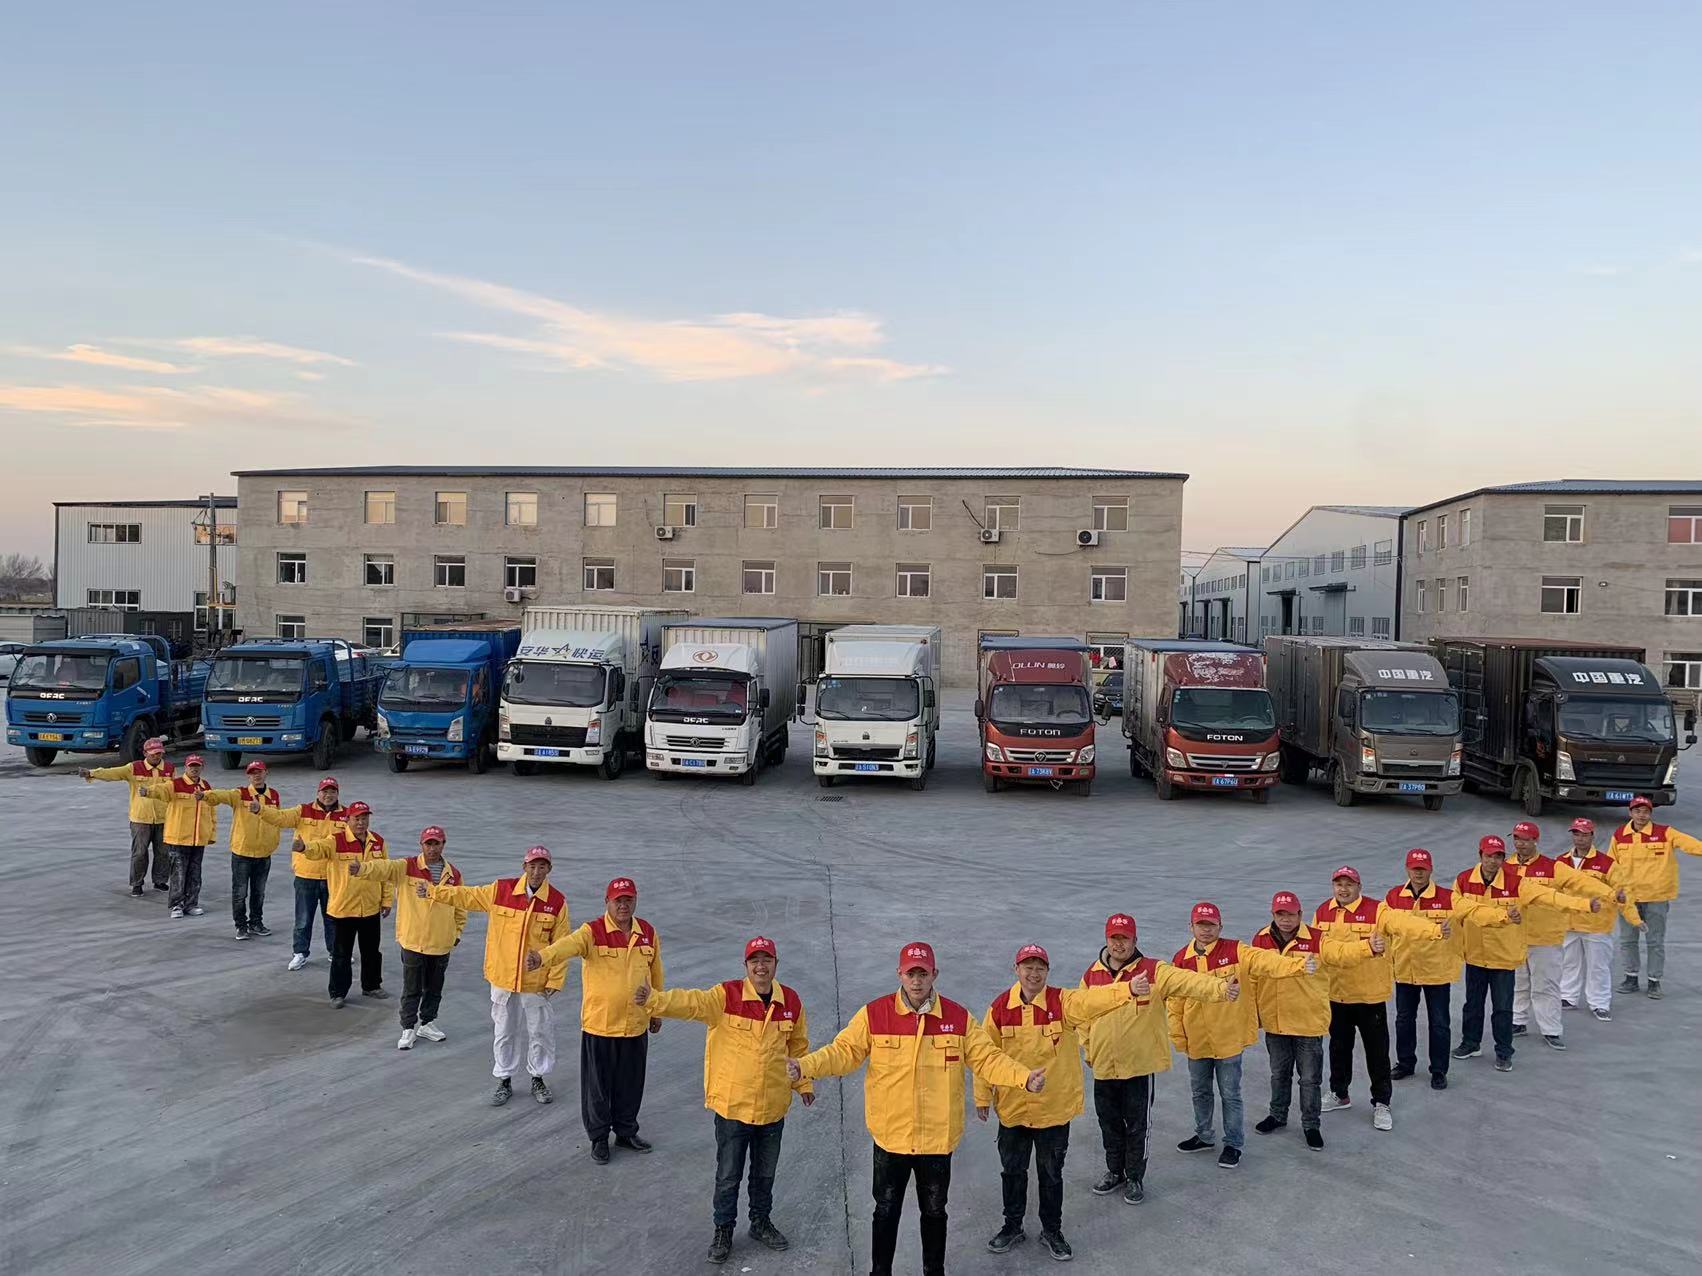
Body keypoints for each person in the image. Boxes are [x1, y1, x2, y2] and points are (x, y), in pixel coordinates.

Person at [786, 941, 1044, 1276]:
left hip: (936, 1140)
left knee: (935, 1211)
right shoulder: (875, 1014)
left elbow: (988, 1059)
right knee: (885, 1210)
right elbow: (843, 1052)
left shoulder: (958, 1018)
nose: (917, 981)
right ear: (900, 974)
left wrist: (1023, 1077)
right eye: (911, 974)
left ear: (935, 974)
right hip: (891, 1137)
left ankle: (934, 1271)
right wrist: (805, 1066)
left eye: (923, 974)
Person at [636, 936, 813, 1266]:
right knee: (728, 1175)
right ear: (745, 966)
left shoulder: (790, 1001)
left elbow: (798, 1047)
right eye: (754, 961)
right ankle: (723, 1230)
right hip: (733, 1107)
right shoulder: (726, 996)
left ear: (776, 964)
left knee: (764, 1174)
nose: (761, 966)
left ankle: (760, 1222)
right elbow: (691, 1003)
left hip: (772, 1107)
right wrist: (654, 1000)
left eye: (767, 960)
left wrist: (803, 1083)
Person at [972, 942, 1145, 1261]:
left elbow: (1094, 1000)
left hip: (1053, 1110)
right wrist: (982, 1095)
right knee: (1013, 1172)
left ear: (1047, 971)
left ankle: (1052, 1231)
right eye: (1028, 967)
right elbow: (985, 1055)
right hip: (1013, 1110)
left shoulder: (1063, 1002)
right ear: (1016, 969)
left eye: (1040, 968)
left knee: (1051, 1174)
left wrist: (1128, 990)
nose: (1034, 973)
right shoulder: (999, 1009)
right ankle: (1012, 1226)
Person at [1078, 912, 1229, 1204]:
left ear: (1135, 940)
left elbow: (1189, 982)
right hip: (1104, 1066)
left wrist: (1221, 989)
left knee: (1138, 1126)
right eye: (1114, 938)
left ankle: (1134, 1177)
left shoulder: (1153, 970)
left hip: (1139, 1066)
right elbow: (1083, 1015)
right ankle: (1114, 1171)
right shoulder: (1091, 975)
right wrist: (1089, 1048)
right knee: (1109, 1123)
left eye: (1124, 938)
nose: (1119, 944)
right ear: (1107, 939)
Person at [529, 877, 665, 1161]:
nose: (623, 905)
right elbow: (566, 946)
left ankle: (626, 1132)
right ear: (607, 902)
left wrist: (657, 1011)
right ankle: (599, 1138)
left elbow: (656, 975)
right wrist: (542, 957)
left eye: (628, 900)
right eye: (618, 901)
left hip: (635, 1026)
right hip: (600, 1026)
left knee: (630, 1085)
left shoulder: (648, 933)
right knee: (598, 1089)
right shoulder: (593, 931)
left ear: (635, 901)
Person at [1169, 901, 1308, 1168]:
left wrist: (1297, 966)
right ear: (1191, 927)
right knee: (1200, 1092)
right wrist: (1179, 1036)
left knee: (1230, 1094)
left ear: (1220, 927)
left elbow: (1265, 961)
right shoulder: (1181, 959)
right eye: (1201, 925)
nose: (1206, 930)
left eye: (1211, 925)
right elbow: (1174, 1002)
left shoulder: (1236, 951)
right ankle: (1204, 1136)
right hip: (1197, 1040)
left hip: (1228, 1039)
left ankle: (1233, 1144)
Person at [432, 847, 570, 1107]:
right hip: (503, 978)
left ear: (549, 869)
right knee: (504, 1031)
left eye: (542, 867)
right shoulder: (501, 890)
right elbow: (466, 895)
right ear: (524, 867)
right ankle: (504, 1079)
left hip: (535, 981)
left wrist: (554, 979)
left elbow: (561, 944)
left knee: (540, 1032)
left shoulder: (557, 902)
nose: (536, 872)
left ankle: (538, 1078)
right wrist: (433, 892)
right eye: (532, 866)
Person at [1452, 835, 1600, 1072]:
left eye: (1498, 856)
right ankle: (1470, 1043)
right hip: (1475, 955)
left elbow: (1550, 897)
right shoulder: (1463, 880)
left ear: (1503, 859)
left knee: (1503, 1008)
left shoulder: (1516, 883)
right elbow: (1458, 910)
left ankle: (1503, 1052)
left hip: (1503, 957)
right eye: (1488, 856)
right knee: (1473, 1005)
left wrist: (1583, 905)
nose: (1493, 861)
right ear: (1480, 856)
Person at [1312, 866, 1441, 1131]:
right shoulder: (1323, 912)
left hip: (1370, 997)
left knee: (1377, 1054)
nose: (1344, 889)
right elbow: (1317, 947)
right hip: (1337, 995)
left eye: (1349, 884)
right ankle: (1339, 1093)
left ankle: (1382, 1103)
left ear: (1359, 887)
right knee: (1338, 1049)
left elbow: (1403, 923)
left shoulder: (1376, 910)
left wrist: (1433, 929)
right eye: (1339, 884)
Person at [1250, 891, 1372, 1150]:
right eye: (1280, 914)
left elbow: (1341, 952)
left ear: (1300, 915)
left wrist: (1367, 947)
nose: (1285, 919)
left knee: (1309, 1079)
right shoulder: (1261, 939)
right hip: (1276, 1021)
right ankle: (1277, 1115)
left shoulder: (1317, 938)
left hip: (1308, 1022)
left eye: (1290, 914)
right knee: (1279, 1074)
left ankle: (1311, 1125)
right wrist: (1252, 1013)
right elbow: (1253, 976)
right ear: (1273, 915)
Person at [1382, 848, 1506, 1090]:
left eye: (1423, 869)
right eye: (1414, 869)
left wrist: (1502, 916)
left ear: (1431, 869)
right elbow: (1384, 927)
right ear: (1407, 869)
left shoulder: (1448, 897)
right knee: (1404, 1020)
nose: (1418, 873)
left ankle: (1438, 1071)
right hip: (1405, 970)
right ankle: (1405, 1063)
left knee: (1439, 1023)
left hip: (1436, 971)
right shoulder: (1394, 896)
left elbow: (1474, 910)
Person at [348, 826, 468, 1048]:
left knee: (434, 988)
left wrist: (457, 932)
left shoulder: (454, 875)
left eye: (436, 843)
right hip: (413, 941)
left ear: (443, 845)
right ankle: (408, 1027)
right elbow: (384, 868)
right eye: (428, 843)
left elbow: (461, 906)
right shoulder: (406, 867)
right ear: (421, 845)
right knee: (411, 988)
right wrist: (362, 868)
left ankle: (427, 1023)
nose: (432, 848)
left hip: (441, 942)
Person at [1505, 821, 1617, 1049]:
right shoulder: (1505, 867)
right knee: (1517, 983)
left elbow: (1581, 881)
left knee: (1546, 986)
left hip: (1544, 937)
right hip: (1514, 937)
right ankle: (1517, 1021)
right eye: (1517, 838)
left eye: (1525, 839)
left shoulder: (1552, 867)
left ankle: (1551, 1029)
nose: (1520, 844)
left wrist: (1610, 893)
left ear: (1535, 840)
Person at [295, 802, 393, 1008]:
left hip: (370, 908)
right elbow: (318, 848)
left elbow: (386, 873)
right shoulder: (336, 840)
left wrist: (386, 900)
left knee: (372, 952)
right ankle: (338, 993)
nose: (361, 822)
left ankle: (372, 986)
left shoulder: (378, 842)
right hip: (343, 909)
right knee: (341, 954)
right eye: (356, 818)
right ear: (347, 820)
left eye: (364, 818)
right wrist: (304, 848)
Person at [1611, 795, 1702, 1000]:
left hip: (1656, 897)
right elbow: (1611, 864)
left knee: (1655, 941)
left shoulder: (1665, 833)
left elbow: (1692, 845)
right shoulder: (1619, 835)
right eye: (1637, 811)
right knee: (1627, 940)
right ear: (1630, 813)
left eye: (1645, 811)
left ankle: (1654, 981)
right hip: (1628, 899)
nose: (1641, 815)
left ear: (1650, 814)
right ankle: (1631, 977)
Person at [257, 776, 347, 971]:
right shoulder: (303, 811)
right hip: (306, 876)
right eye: (325, 791)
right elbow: (280, 817)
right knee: (303, 919)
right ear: (318, 793)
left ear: (338, 794)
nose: (328, 795)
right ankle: (300, 953)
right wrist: (260, 810)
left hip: (334, 878)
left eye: (332, 792)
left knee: (334, 919)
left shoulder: (346, 816)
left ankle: (336, 952)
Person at [1558, 818, 1641, 1020]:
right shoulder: (1560, 861)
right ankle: (1568, 996)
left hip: (1597, 924)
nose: (1580, 838)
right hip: (1568, 923)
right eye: (1576, 834)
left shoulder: (1606, 863)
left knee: (1598, 967)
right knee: (1569, 963)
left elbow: (1622, 891)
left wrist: (1633, 917)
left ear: (1592, 836)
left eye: (1584, 834)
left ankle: (1599, 1003)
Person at [80, 736, 172, 895]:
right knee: (139, 853)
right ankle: (137, 883)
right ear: (145, 753)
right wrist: (92, 773)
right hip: (140, 819)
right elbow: (113, 773)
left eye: (159, 753)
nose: (157, 756)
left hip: (164, 818)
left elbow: (173, 790)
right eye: (153, 753)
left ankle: (160, 881)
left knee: (163, 852)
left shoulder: (169, 769)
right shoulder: (134, 768)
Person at [203, 761, 282, 939]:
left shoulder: (274, 795)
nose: (256, 775)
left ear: (266, 772)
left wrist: (273, 842)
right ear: (248, 776)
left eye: (259, 772)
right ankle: (241, 925)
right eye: (252, 773)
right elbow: (222, 795)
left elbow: (277, 818)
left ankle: (256, 923)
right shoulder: (240, 794)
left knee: (259, 892)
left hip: (264, 853)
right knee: (240, 893)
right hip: (242, 853)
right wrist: (205, 795)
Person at [142, 754, 218, 919]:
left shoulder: (205, 787)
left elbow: (211, 811)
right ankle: (176, 905)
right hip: (178, 838)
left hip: (198, 839)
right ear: (186, 767)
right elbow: (161, 789)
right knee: (178, 873)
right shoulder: (176, 784)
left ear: (202, 767)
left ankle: (191, 904)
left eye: (197, 766)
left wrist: (210, 834)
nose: (194, 769)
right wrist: (148, 791)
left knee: (195, 873)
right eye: (191, 766)